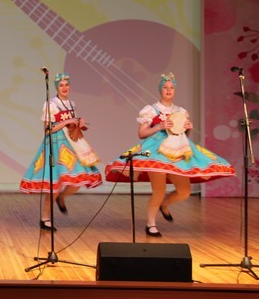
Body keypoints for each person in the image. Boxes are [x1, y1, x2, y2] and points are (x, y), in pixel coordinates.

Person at [105, 72, 235, 237]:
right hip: (156, 152)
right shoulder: (152, 110)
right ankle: (151, 224)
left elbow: (182, 135)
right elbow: (142, 133)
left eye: (171, 88)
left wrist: (187, 128)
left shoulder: (181, 111)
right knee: (159, 190)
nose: (168, 90)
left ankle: (164, 204)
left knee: (184, 191)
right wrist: (160, 126)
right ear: (160, 89)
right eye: (165, 87)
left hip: (177, 151)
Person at [19, 73, 102, 230]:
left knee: (78, 181)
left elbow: (71, 124)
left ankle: (62, 197)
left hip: (72, 144)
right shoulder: (51, 105)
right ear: (57, 87)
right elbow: (47, 129)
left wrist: (79, 123)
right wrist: (68, 121)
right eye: (61, 85)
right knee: (55, 184)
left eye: (66, 85)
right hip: (56, 145)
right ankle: (45, 218)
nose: (64, 88)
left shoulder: (71, 104)